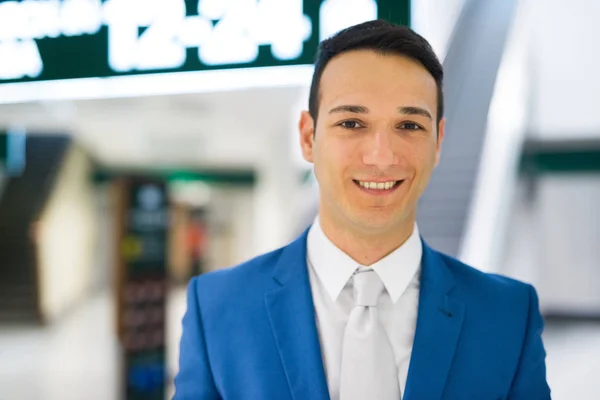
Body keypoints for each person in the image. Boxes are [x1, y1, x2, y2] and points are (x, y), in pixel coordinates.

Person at [173, 20, 551, 399]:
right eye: (352, 123)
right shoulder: (218, 308)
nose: (381, 157)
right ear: (308, 137)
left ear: (438, 142)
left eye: (409, 125)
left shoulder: (508, 315)